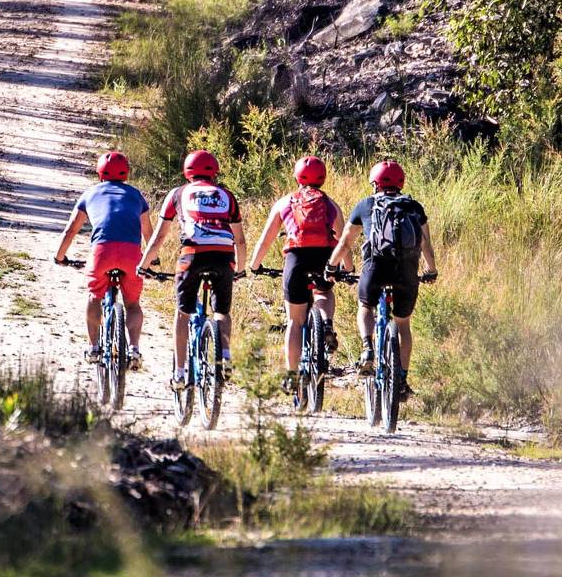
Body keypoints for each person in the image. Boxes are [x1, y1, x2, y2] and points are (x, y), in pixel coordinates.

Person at [327, 160, 440, 399]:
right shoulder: (414, 207)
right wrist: (431, 270)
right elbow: (425, 245)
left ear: (375, 183)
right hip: (406, 271)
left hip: (376, 267)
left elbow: (345, 243)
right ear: (401, 182)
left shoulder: (366, 205)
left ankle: (368, 349)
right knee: (403, 325)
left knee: (365, 306)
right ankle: (402, 379)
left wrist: (332, 266)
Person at [139, 149, 243, 390]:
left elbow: (158, 237)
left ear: (187, 171)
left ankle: (179, 372)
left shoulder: (178, 194)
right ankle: (225, 356)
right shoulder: (227, 196)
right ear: (214, 172)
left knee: (183, 313)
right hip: (224, 255)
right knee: (222, 313)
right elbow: (240, 240)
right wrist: (239, 268)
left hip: (193, 254)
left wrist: (143, 265)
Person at [246, 155, 344, 394]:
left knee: (295, 321)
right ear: (323, 178)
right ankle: (326, 324)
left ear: (297, 176)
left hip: (296, 260)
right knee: (323, 291)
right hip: (324, 257)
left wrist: (254, 265)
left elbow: (266, 239)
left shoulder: (285, 202)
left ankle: (291, 375)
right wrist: (347, 268)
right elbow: (342, 241)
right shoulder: (330, 204)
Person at [54, 151, 156, 368]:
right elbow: (148, 233)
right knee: (133, 304)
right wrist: (153, 260)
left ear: (99, 172)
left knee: (94, 296)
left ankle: (93, 348)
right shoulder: (136, 195)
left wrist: (60, 256)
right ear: (126, 173)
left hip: (102, 252)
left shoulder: (90, 193)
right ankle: (135, 348)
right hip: (132, 255)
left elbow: (71, 230)